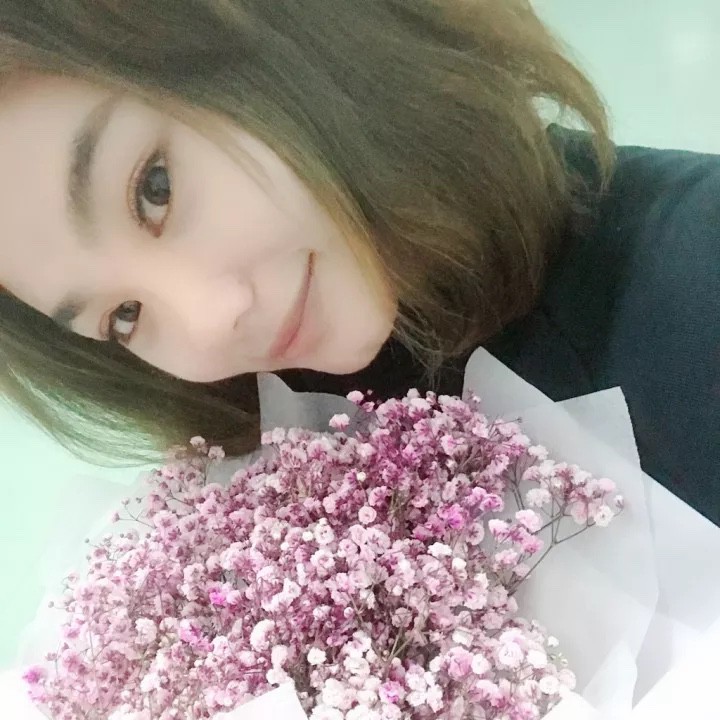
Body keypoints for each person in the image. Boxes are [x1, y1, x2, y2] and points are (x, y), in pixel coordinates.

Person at [0, 1, 716, 525]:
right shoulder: (277, 481)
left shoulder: (693, 277)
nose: (210, 321)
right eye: (124, 316)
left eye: (154, 189)